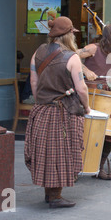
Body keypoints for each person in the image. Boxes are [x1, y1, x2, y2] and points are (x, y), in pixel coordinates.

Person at [24, 16, 91, 208]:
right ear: (68, 34)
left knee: (46, 152)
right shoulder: (72, 57)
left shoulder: (38, 52)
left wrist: (41, 102)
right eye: (72, 33)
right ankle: (54, 196)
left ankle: (51, 193)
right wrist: (86, 107)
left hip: (42, 109)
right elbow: (82, 89)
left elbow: (34, 83)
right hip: (63, 112)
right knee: (60, 153)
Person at [79, 23, 111, 180]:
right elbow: (71, 56)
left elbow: (109, 75)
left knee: (109, 133)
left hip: (106, 94)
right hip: (90, 93)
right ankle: (78, 166)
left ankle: (100, 167)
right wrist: (85, 70)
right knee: (85, 130)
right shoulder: (93, 48)